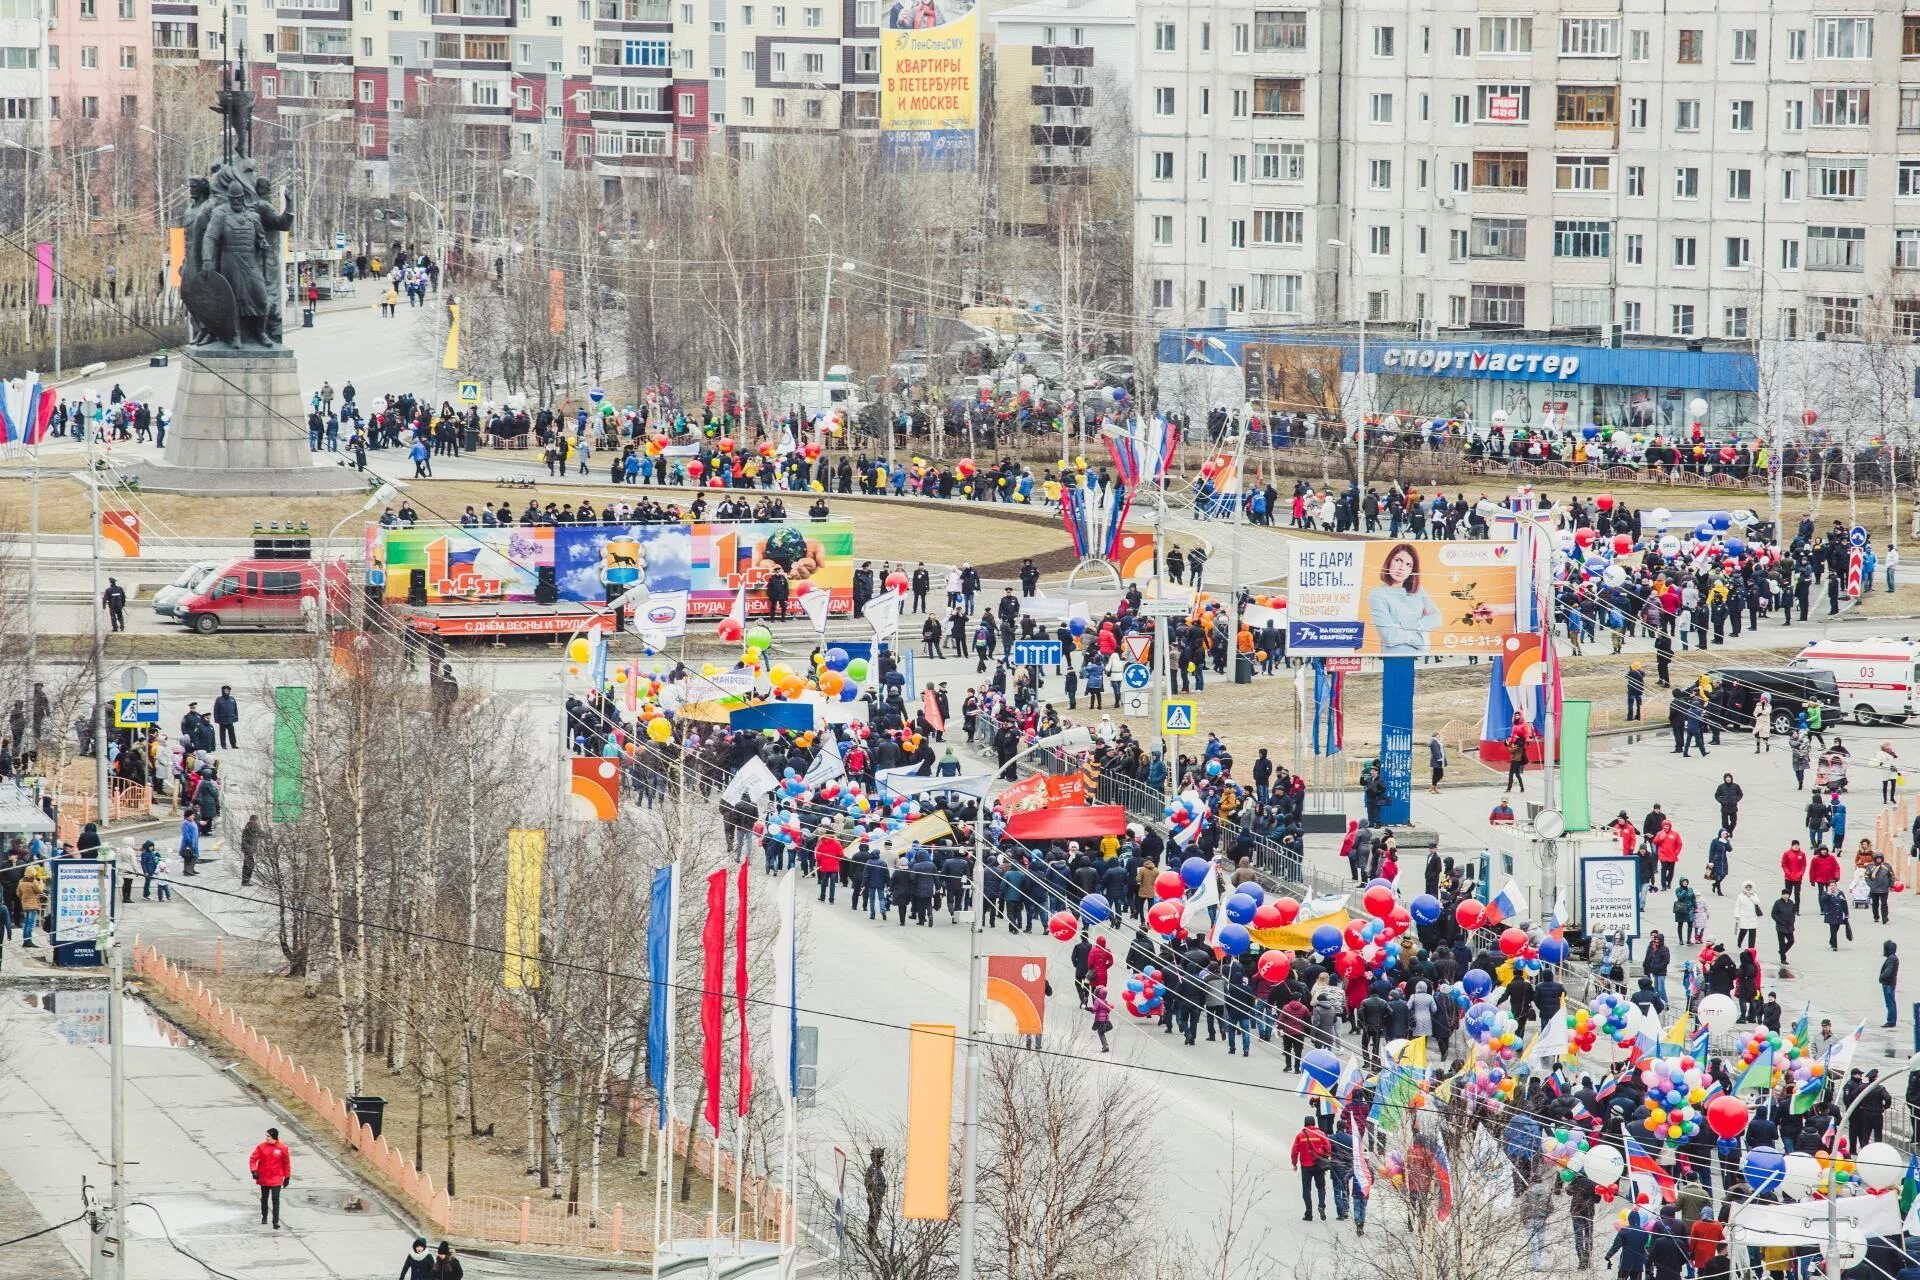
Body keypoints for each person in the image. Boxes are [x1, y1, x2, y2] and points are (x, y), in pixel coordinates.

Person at [1366, 543, 1442, 656]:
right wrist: (1421, 638)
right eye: (1398, 560)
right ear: (1389, 561)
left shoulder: (1419, 591)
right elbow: (1389, 636)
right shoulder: (1378, 594)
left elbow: (1437, 618)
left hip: (1421, 658)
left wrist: (1401, 626)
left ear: (1412, 570)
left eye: (1408, 565)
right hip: (1395, 656)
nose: (1402, 568)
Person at [1289, 1119, 1332, 1221]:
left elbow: (1294, 1151)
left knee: (1306, 1189)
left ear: (1305, 1123)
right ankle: (1321, 1205)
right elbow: (1328, 1148)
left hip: (1306, 1166)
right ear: (1314, 1123)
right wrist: (1323, 1156)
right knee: (1321, 1187)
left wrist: (1294, 1164)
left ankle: (1309, 1213)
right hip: (1319, 1165)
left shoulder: (1300, 1135)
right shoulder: (1321, 1134)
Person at [249, 1126, 290, 1228]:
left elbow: (286, 1163)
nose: (266, 1138)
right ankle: (264, 1216)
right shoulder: (261, 1147)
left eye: (268, 1136)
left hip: (276, 1177)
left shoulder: (282, 1148)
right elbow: (253, 1159)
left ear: (273, 1136)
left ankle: (275, 1221)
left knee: (275, 1198)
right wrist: (254, 1171)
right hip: (264, 1176)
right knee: (264, 1198)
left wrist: (287, 1177)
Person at [1771, 886, 1797, 976]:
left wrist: (1792, 921)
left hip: (1789, 926)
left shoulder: (1791, 903)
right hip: (1781, 926)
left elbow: (1793, 913)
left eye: (1787, 894)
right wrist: (1780, 921)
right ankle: (1783, 958)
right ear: (1782, 895)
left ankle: (1782, 951)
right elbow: (1773, 914)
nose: (1786, 896)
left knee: (1791, 940)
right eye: (1784, 894)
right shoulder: (1777, 903)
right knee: (1781, 943)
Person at [213, 684, 240, 749]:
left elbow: (235, 709)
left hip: (230, 720)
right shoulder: (219, 699)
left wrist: (235, 717)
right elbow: (216, 710)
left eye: (227, 691)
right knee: (222, 734)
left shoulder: (232, 699)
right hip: (222, 720)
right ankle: (223, 745)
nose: (226, 692)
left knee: (232, 733)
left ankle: (233, 744)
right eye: (225, 691)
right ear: (223, 691)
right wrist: (216, 719)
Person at [1881, 940, 1900, 1028]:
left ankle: (1891, 1021)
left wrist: (1881, 978)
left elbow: (1888, 972)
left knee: (1890, 1003)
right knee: (1891, 1002)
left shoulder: (1891, 959)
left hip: (1888, 983)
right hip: (1890, 983)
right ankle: (1891, 1020)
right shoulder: (1893, 958)